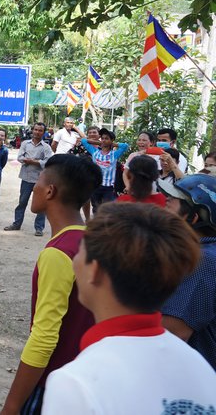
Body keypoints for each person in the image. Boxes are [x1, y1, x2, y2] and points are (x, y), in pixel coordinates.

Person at [42, 202, 216, 413]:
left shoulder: (76, 382)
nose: (74, 261)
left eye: (80, 251)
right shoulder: (201, 369)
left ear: (95, 270)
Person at [1, 154, 102, 415]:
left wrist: (12, 405)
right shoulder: (99, 242)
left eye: (38, 181)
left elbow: (44, 338)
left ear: (50, 191)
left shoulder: (59, 253)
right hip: (90, 378)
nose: (33, 186)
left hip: (56, 383)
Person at [159, 174, 216, 369]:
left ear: (193, 217)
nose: (164, 205)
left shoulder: (203, 262)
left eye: (172, 202)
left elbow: (171, 334)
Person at [4, 123, 54, 238]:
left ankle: (39, 228)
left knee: (41, 204)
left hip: (40, 179)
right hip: (26, 178)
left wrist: (34, 162)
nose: (37, 132)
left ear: (43, 132)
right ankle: (16, 224)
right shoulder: (25, 144)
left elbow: (48, 162)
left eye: (40, 130)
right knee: (22, 202)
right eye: (35, 130)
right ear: (32, 130)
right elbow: (20, 158)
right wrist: (32, 161)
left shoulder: (46, 147)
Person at [79, 127, 130, 212]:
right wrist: (99, 142)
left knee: (108, 210)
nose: (103, 140)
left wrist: (112, 144)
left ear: (112, 140)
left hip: (109, 188)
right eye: (102, 138)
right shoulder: (95, 152)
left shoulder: (114, 154)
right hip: (96, 186)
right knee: (96, 208)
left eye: (106, 138)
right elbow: (84, 141)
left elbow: (125, 146)